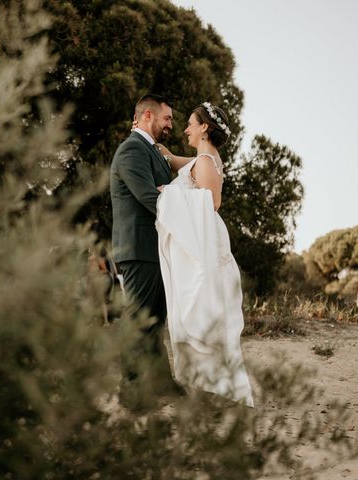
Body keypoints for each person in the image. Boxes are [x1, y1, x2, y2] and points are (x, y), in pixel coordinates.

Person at [155, 102, 254, 407]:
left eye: (190, 124)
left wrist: (168, 194)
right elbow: (179, 164)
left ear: (204, 128)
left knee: (202, 309)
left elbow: (211, 204)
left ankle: (217, 390)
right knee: (198, 310)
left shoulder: (207, 161)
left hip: (205, 242)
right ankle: (208, 386)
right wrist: (161, 150)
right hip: (200, 240)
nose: (185, 129)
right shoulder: (202, 158)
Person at [109, 94, 184, 405]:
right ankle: (129, 391)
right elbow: (149, 198)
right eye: (167, 118)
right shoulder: (131, 150)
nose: (171, 124)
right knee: (138, 321)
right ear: (149, 115)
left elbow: (163, 192)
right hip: (138, 248)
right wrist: (188, 222)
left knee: (154, 321)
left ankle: (160, 383)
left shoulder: (152, 152)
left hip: (155, 250)